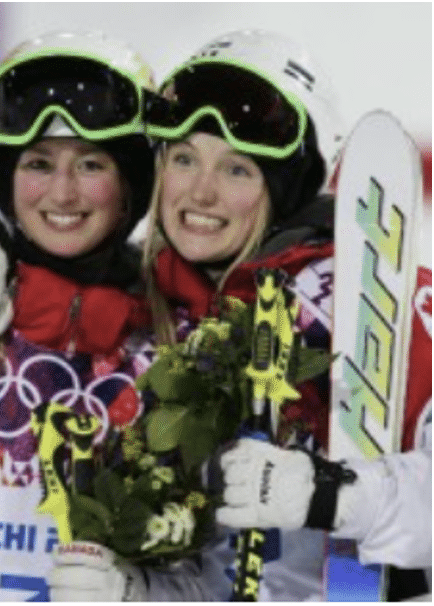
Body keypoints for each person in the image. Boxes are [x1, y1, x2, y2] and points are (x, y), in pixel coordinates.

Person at [0, 31, 216, 601]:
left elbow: (228, 575)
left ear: (131, 180)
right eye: (38, 163)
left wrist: (139, 594)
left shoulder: (184, 334)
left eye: (92, 163)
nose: (63, 192)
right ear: (4, 177)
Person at [138, 30, 430, 600]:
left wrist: (333, 495)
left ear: (289, 185)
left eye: (237, 170)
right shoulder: (143, 310)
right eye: (183, 158)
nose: (200, 192)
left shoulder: (383, 303)